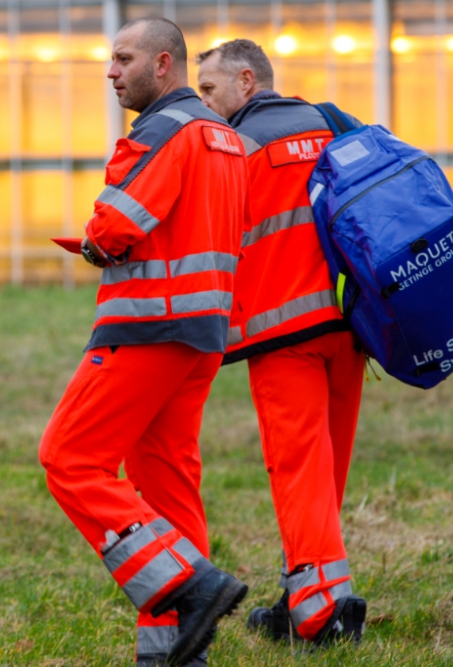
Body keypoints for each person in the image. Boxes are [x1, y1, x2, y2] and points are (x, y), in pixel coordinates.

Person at [39, 17, 251, 667]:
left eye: (123, 58)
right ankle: (175, 653)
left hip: (145, 326)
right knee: (166, 483)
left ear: (164, 65)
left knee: (70, 458)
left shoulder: (159, 131)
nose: (111, 71)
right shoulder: (222, 136)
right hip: (201, 333)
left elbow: (116, 224)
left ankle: (185, 585)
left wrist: (96, 240)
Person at [195, 39, 367, 647]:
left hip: (283, 333)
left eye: (210, 90)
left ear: (246, 81)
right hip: (352, 330)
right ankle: (305, 594)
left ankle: (321, 620)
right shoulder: (332, 121)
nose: (204, 104)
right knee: (327, 473)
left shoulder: (232, 145)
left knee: (299, 471)